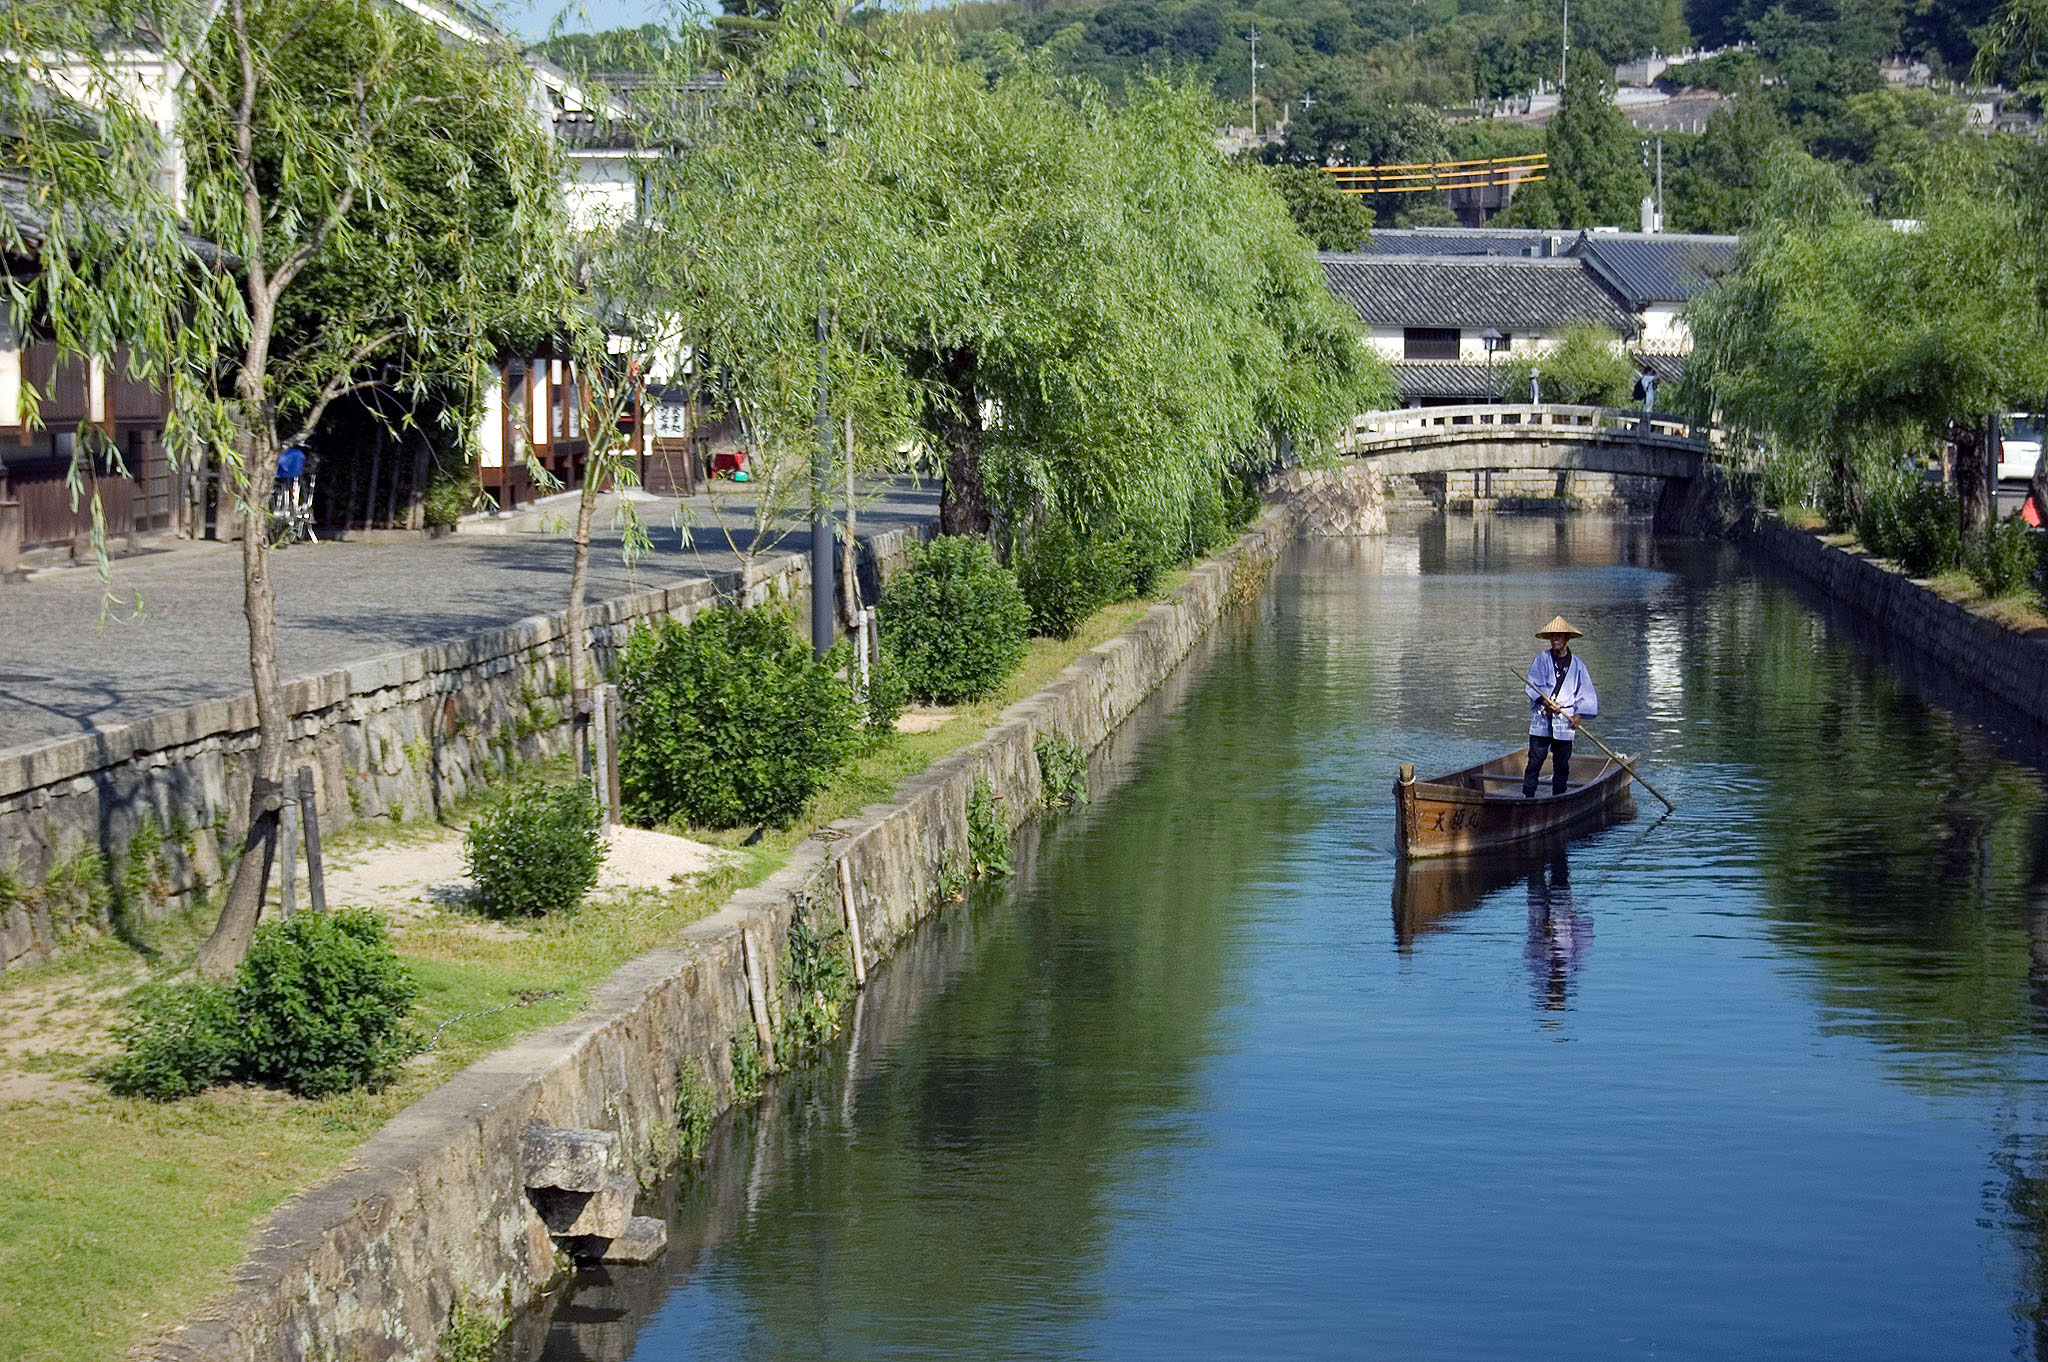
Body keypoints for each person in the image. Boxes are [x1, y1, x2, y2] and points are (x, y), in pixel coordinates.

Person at [1522, 615, 1597, 798]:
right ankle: (1528, 795)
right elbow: (1532, 685)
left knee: (1562, 762)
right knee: (1535, 760)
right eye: (1552, 636)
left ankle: (1559, 796)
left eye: (1559, 636)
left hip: (1565, 718)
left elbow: (1585, 693)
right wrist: (1545, 702)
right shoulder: (1541, 659)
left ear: (1566, 639)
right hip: (1542, 716)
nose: (1555, 640)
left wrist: (1578, 716)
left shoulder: (1578, 665)